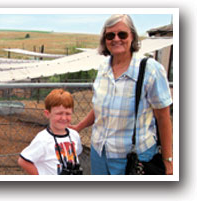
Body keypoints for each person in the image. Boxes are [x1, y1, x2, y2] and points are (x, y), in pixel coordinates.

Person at [69, 14, 173, 175]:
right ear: (105, 40)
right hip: (99, 154)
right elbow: (100, 108)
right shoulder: (103, 68)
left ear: (132, 36)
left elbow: (163, 118)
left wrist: (169, 162)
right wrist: (79, 127)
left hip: (133, 157)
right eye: (110, 35)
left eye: (122, 34)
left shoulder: (150, 70)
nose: (116, 39)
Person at [18, 89, 83, 175]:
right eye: (59, 113)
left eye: (68, 114)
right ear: (47, 114)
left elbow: (76, 154)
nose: (64, 118)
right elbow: (23, 161)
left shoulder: (74, 135)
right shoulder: (43, 139)